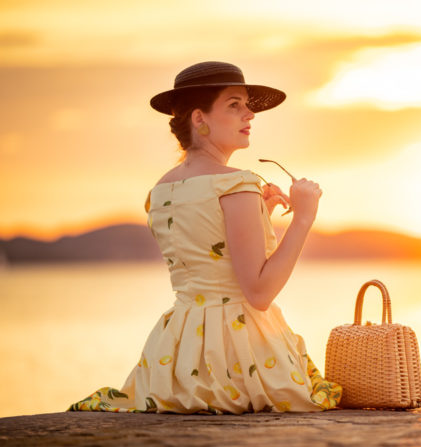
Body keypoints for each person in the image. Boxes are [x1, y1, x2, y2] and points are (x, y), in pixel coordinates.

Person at [68, 61, 342, 413]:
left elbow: (207, 251)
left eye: (247, 105)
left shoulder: (161, 190)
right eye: (234, 105)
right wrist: (304, 217)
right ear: (200, 119)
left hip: (176, 358)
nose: (250, 115)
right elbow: (258, 293)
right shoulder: (237, 183)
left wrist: (262, 214)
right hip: (237, 355)